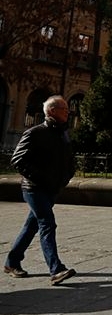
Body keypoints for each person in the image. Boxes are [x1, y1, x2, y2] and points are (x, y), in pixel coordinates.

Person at [5, 95, 76, 285]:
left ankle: (12, 262)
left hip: (52, 188)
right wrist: (41, 178)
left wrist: (66, 177)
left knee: (32, 226)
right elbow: (17, 160)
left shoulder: (63, 133)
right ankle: (56, 269)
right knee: (47, 223)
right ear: (51, 111)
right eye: (63, 108)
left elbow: (69, 159)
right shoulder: (35, 132)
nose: (68, 111)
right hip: (34, 188)